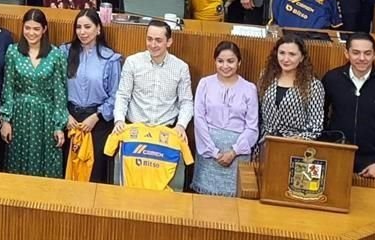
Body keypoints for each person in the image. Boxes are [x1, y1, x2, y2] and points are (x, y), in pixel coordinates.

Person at [0, 9, 68, 178]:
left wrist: (59, 126)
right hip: (20, 116)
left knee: (46, 166)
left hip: (46, 117)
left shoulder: (56, 55)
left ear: (44, 29)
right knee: (17, 164)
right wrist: (6, 120)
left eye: (36, 29)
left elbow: (60, 93)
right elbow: (8, 87)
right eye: (27, 28)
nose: (31, 33)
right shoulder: (13, 52)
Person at [60, 9, 122, 183]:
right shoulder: (64, 53)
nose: (82, 32)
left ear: (98, 29)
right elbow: (56, 87)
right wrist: (65, 114)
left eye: (87, 27)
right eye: (78, 27)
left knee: (94, 173)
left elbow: (116, 94)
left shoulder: (110, 59)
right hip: (69, 118)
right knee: (68, 169)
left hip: (97, 121)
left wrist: (96, 116)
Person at [192, 41, 259, 196]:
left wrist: (233, 152)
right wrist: (214, 152)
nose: (225, 66)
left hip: (237, 152)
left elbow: (252, 127)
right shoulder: (205, 84)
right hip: (209, 151)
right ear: (215, 61)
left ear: (239, 62)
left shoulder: (249, 88)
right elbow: (199, 120)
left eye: (230, 61)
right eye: (220, 61)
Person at [114, 20, 193, 139]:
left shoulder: (181, 68)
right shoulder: (132, 62)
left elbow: (186, 102)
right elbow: (122, 95)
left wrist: (181, 125)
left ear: (169, 42)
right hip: (134, 129)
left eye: (158, 40)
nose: (153, 44)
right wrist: (119, 120)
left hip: (166, 132)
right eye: (149, 39)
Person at [323, 33, 375, 178]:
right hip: (336, 157)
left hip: (373, 163)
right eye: (356, 53)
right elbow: (320, 118)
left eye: (367, 53)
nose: (362, 58)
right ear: (346, 53)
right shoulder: (332, 79)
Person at [257, 34, 324, 141]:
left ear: (301, 57)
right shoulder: (265, 76)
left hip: (295, 144)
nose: (286, 59)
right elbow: (258, 113)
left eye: (292, 54)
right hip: (265, 141)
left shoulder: (313, 85)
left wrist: (297, 139)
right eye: (282, 53)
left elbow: (316, 126)